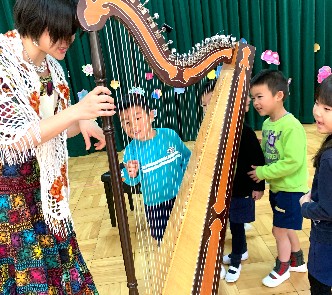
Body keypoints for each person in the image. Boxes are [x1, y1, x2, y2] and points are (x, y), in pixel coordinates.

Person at [0, 0, 116, 294]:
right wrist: (75, 113)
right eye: (61, 32)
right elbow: (15, 139)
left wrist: (81, 122)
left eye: (72, 32)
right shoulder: (3, 61)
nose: (69, 41)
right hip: (10, 199)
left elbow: (54, 126)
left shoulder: (52, 68)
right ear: (36, 21)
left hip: (45, 192)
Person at [248, 69, 309, 288]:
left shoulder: (292, 126)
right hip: (278, 187)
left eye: (260, 96)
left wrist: (263, 173)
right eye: (253, 97)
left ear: (279, 95)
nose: (255, 102)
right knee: (286, 226)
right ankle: (298, 260)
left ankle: (282, 267)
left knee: (278, 230)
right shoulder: (267, 124)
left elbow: (293, 162)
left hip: (291, 189)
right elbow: (267, 154)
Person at [201, 80, 265, 283]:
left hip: (241, 189)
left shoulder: (244, 132)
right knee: (227, 222)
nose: (207, 109)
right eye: (204, 105)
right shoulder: (210, 132)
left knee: (237, 225)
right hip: (221, 190)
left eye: (213, 103)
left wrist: (258, 186)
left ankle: (236, 259)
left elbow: (257, 161)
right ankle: (242, 250)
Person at [119, 93, 191, 243]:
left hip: (181, 198)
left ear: (151, 115)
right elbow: (130, 181)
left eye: (137, 118)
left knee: (187, 234)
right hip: (155, 206)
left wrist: (189, 184)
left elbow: (187, 158)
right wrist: (132, 174)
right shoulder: (130, 151)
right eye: (126, 122)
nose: (133, 126)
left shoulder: (169, 135)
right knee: (163, 240)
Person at [300, 75, 332, 295]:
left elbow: (327, 210)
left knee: (319, 283)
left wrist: (305, 205)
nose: (317, 112)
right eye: (317, 103)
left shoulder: (329, 157)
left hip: (327, 242)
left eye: (327, 108)